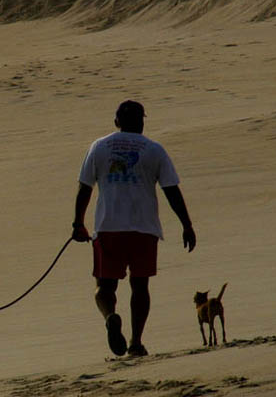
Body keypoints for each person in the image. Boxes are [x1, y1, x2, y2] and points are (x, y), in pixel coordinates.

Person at [72, 100, 196, 357]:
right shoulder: (154, 150)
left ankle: (110, 317)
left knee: (104, 288)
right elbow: (171, 190)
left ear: (116, 122)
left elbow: (85, 187)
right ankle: (135, 342)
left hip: (108, 227)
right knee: (140, 287)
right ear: (141, 122)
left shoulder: (99, 147)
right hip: (144, 229)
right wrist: (187, 224)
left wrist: (78, 223)